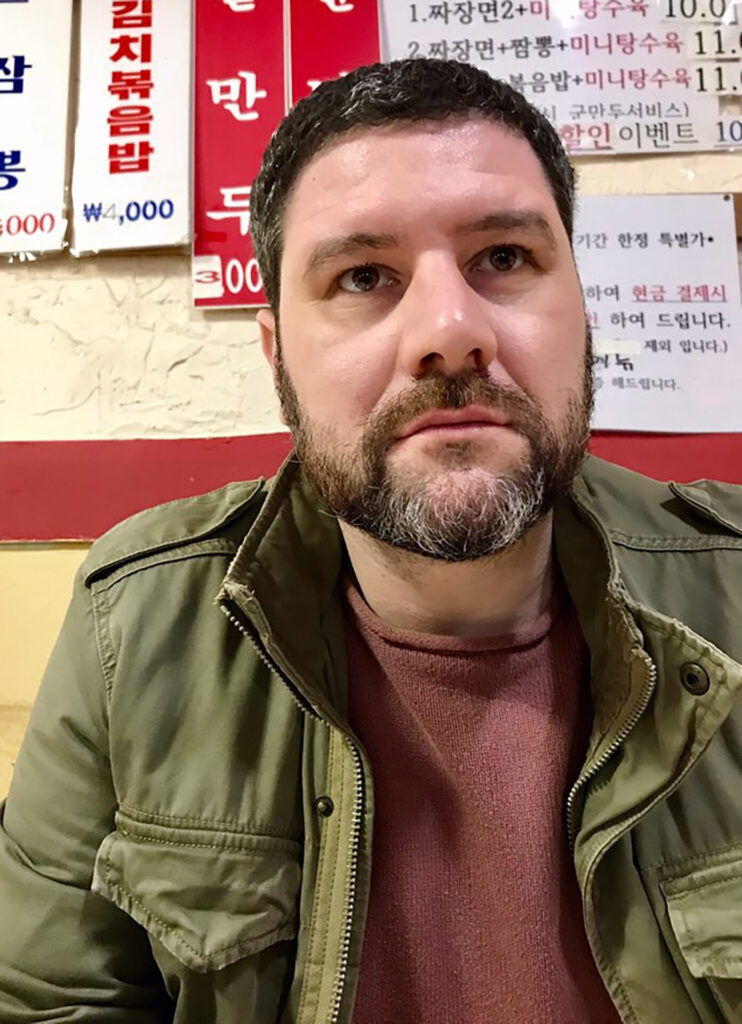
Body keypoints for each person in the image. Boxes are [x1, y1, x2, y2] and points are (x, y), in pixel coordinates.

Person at [1, 58, 740, 1024]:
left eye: (505, 258)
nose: (450, 329)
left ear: (584, 311)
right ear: (279, 359)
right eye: (362, 277)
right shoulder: (134, 621)